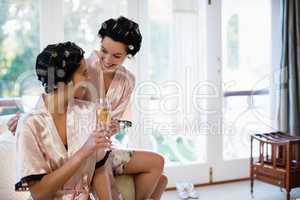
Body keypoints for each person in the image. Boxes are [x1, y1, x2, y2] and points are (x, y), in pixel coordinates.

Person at [10, 16, 168, 199]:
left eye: (117, 56)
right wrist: (26, 118)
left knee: (158, 167)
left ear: (128, 55)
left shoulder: (126, 81)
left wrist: (114, 127)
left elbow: (115, 122)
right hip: (83, 144)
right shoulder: (82, 67)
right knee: (102, 163)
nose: (107, 60)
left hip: (100, 143)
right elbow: (55, 99)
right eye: (104, 51)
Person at [15, 42, 113, 199]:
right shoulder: (30, 125)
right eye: (83, 73)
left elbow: (100, 170)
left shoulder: (90, 112)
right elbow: (39, 193)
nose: (88, 78)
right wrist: (83, 152)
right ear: (63, 80)